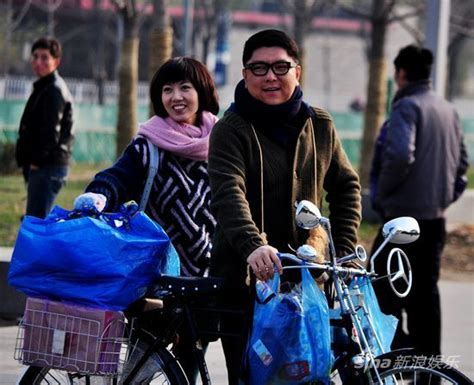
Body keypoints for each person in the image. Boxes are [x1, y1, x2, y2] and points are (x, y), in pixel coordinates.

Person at [207, 29, 361, 384]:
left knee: (310, 374)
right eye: (258, 68)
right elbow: (229, 193)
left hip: (308, 283)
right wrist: (252, 246)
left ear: (298, 71)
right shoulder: (231, 129)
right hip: (247, 283)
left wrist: (344, 250)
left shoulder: (319, 124)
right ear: (245, 75)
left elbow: (346, 186)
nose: (270, 77)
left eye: (280, 66)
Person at [76, 57, 219, 384]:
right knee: (138, 372)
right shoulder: (148, 144)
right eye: (167, 89)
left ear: (202, 92)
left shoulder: (221, 143)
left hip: (205, 280)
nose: (176, 96)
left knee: (187, 370)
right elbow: (115, 177)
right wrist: (99, 194)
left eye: (185, 87)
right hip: (157, 279)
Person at [369, 45, 469, 359]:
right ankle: (430, 369)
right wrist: (444, 198)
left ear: (400, 73)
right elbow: (462, 162)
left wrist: (383, 194)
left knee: (383, 292)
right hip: (435, 220)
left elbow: (399, 155)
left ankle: (397, 359)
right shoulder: (448, 109)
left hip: (402, 222)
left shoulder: (407, 107)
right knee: (426, 297)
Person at [15, 37, 74, 219]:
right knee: (37, 223)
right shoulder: (45, 86)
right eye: (35, 57)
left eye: (44, 58)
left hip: (47, 166)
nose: (38, 62)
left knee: (37, 224)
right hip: (44, 166)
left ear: (56, 61)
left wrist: (36, 162)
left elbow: (50, 133)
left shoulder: (54, 90)